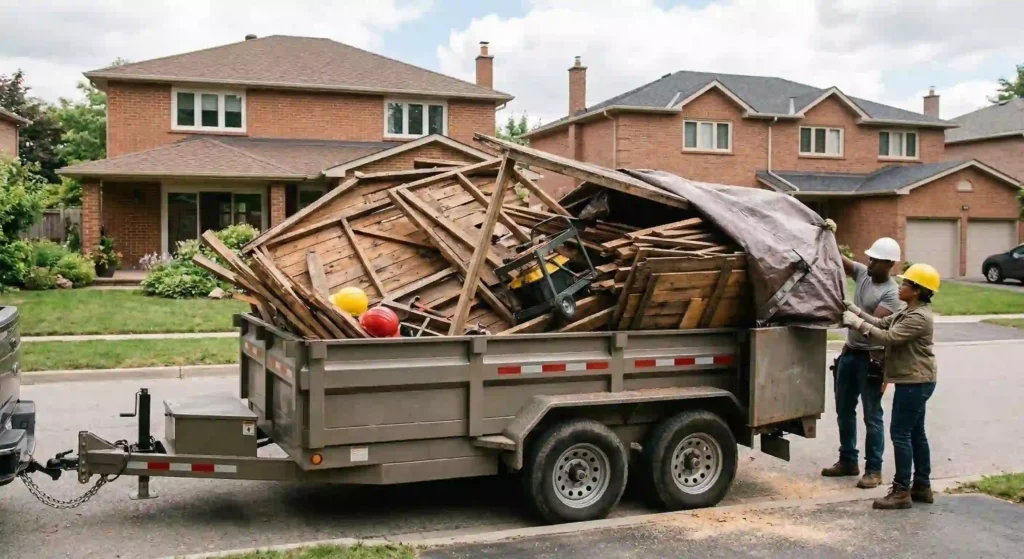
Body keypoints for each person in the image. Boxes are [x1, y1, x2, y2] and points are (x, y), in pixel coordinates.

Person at [842, 263, 939, 510]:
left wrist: (857, 325)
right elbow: (882, 323)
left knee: (901, 434)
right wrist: (854, 310)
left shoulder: (919, 317)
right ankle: (922, 486)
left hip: (914, 382)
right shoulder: (909, 311)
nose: (901, 286)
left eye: (906, 283)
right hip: (915, 380)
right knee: (916, 433)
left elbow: (889, 338)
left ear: (917, 290)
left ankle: (901, 491)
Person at [821, 237, 901, 489]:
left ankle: (874, 469)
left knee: (871, 415)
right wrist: (829, 235)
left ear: (888, 264)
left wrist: (853, 312)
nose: (870, 262)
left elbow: (874, 326)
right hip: (850, 353)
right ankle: (848, 460)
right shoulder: (864, 274)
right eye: (870, 257)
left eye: (876, 260)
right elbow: (841, 261)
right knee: (844, 410)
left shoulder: (892, 292)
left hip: (872, 360)